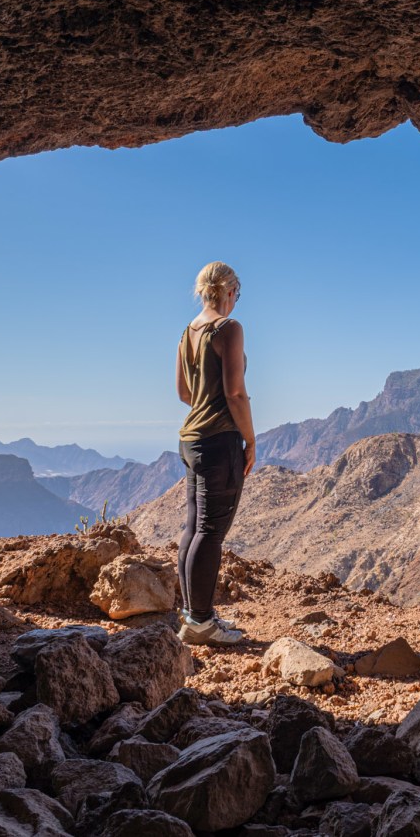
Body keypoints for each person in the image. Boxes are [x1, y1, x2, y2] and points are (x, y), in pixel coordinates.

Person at [174, 261, 256, 645]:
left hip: (191, 439)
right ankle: (201, 622)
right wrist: (250, 440)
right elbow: (235, 392)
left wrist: (205, 401)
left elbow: (184, 393)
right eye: (238, 293)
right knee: (210, 531)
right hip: (220, 441)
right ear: (229, 291)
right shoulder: (229, 328)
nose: (237, 300)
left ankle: (193, 614)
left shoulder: (188, 332)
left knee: (194, 528)